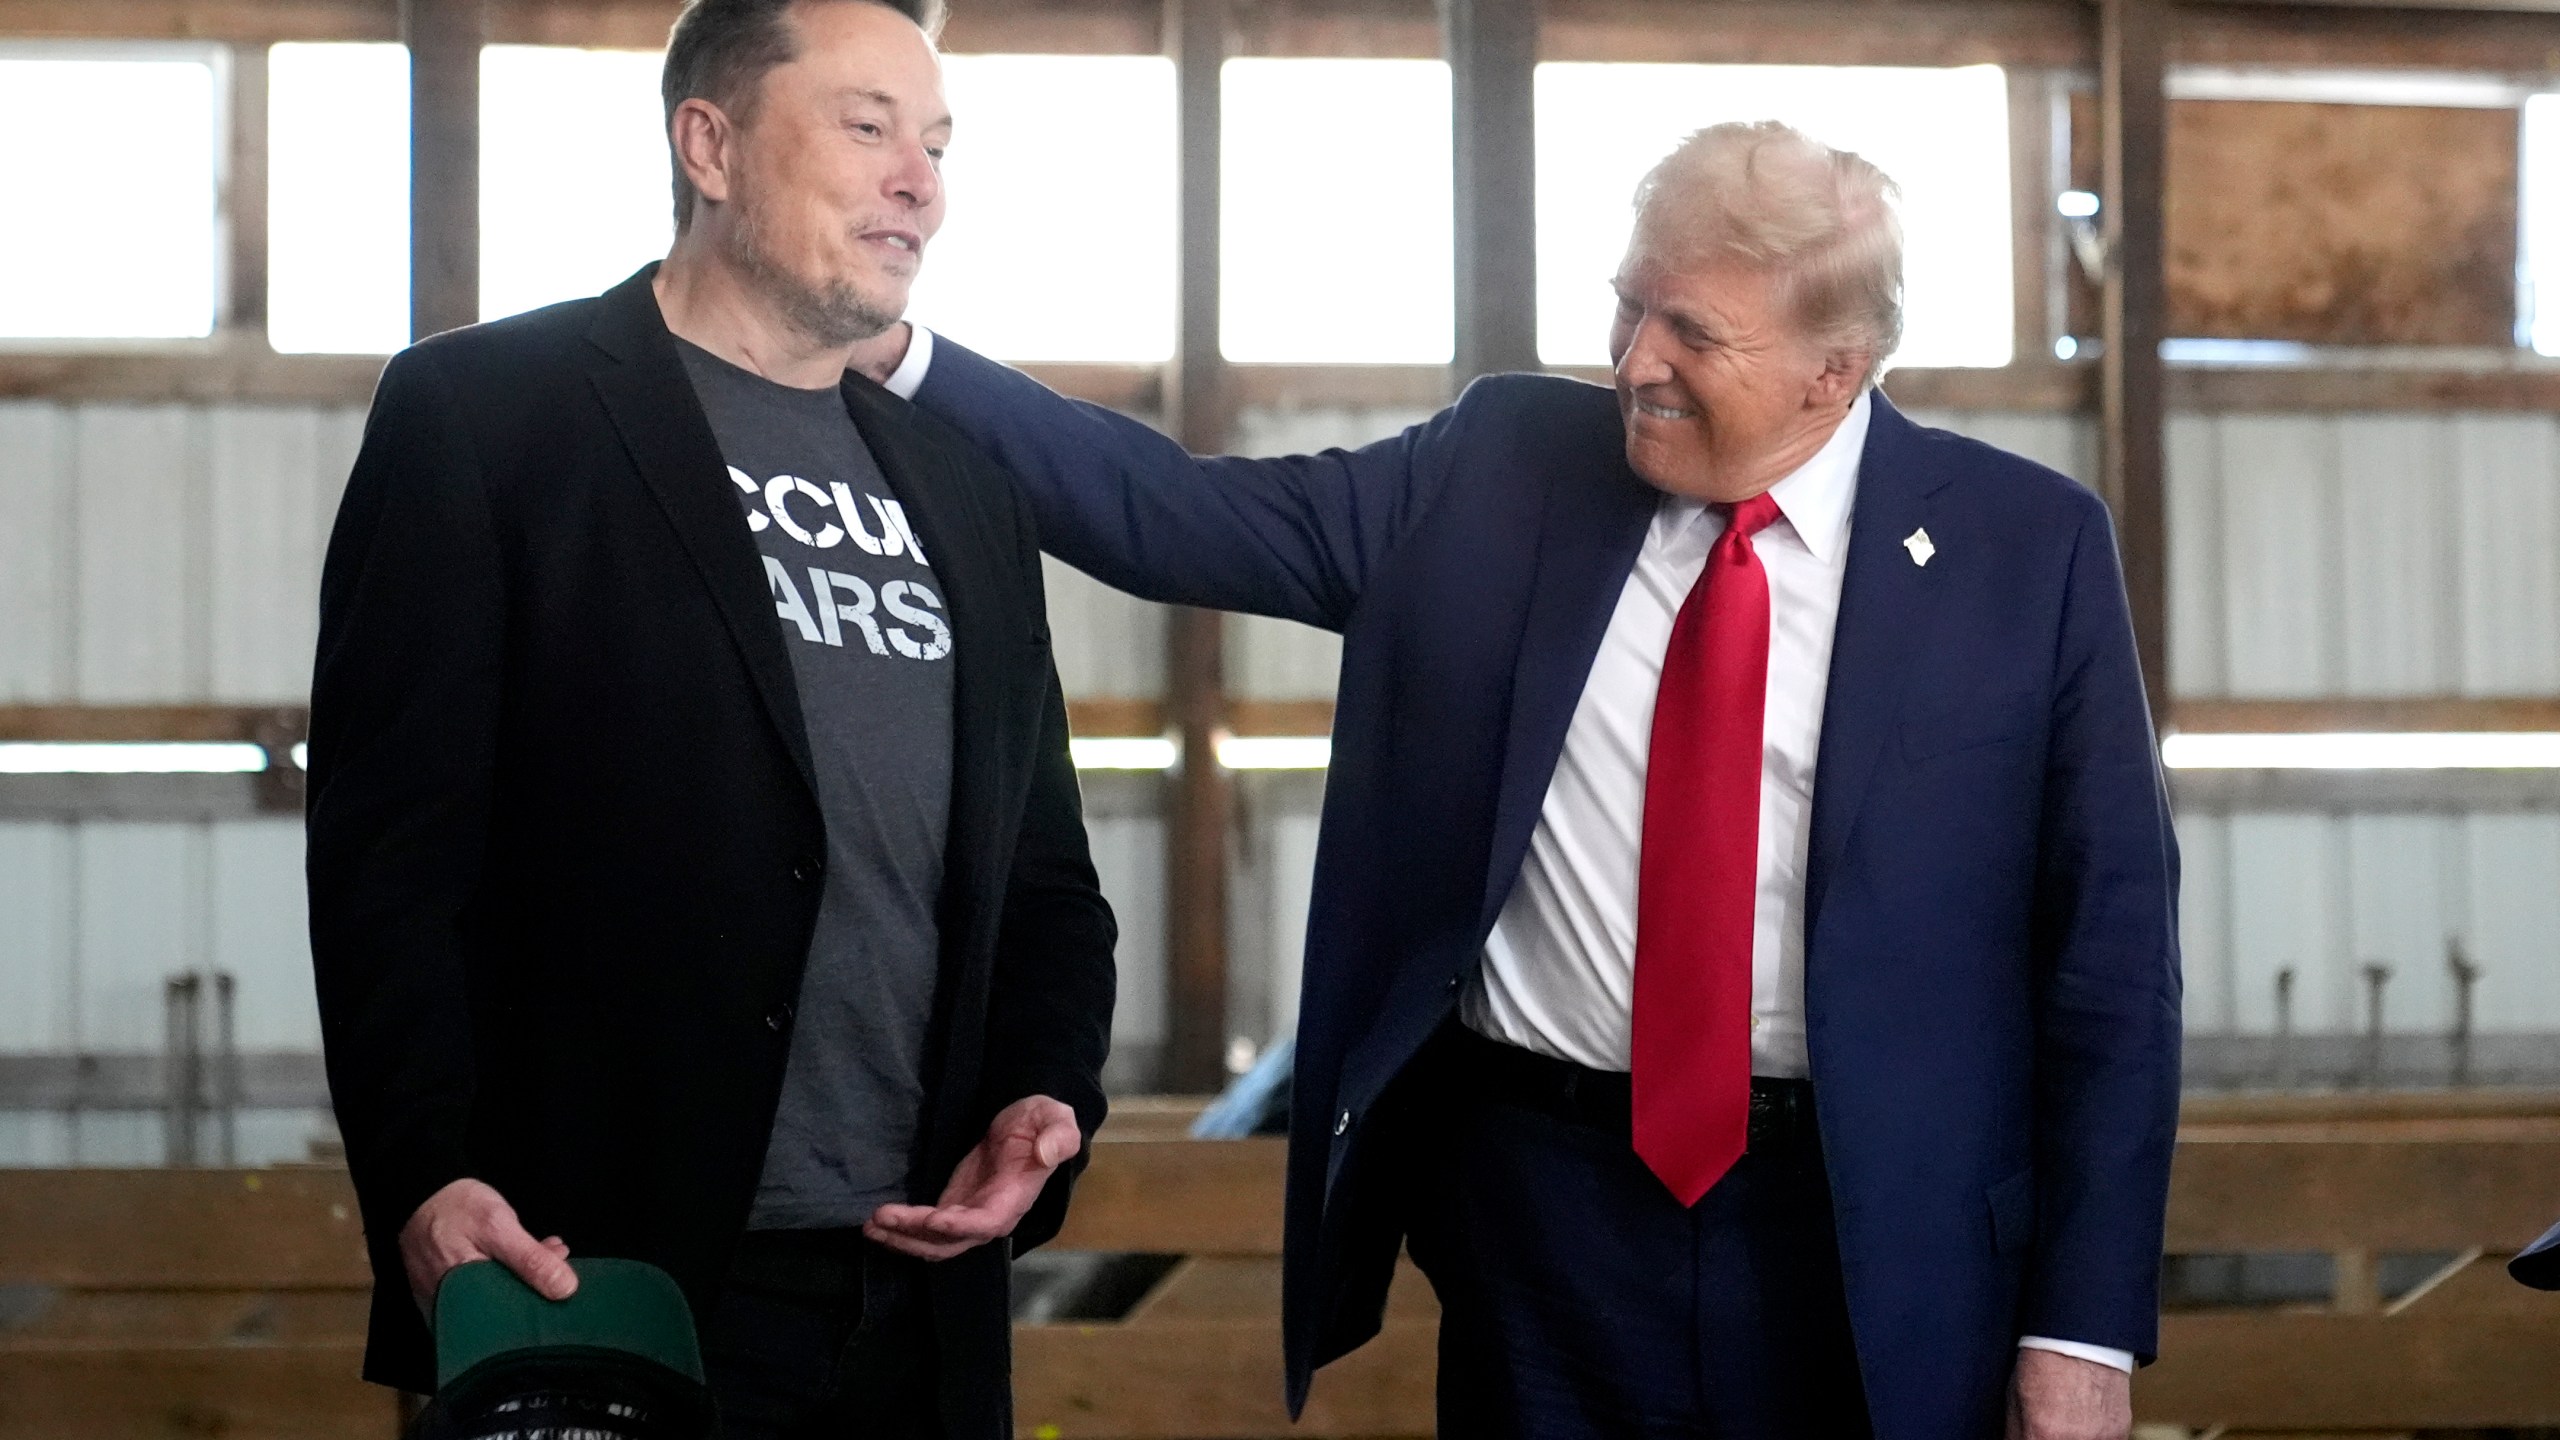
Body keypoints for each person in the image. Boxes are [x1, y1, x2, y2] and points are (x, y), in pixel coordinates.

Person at [853, 122, 2180, 1438]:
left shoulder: (2029, 552)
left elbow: (2112, 964)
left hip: (1877, 1228)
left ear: (1837, 371)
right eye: (1627, 304)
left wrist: (2083, 1334)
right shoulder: (1503, 468)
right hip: (1545, 1219)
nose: (1635, 362)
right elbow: (1178, 514)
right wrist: (892, 355)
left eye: (1694, 335)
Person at [305, 2, 1117, 1436]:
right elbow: (389, 855)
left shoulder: (969, 493)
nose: (919, 180)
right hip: (592, 1278)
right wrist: (423, 1174)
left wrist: (1045, 1096)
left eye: (935, 143)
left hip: (913, 1298)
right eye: (868, 126)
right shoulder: (490, 419)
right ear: (711, 144)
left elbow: (1044, 878)